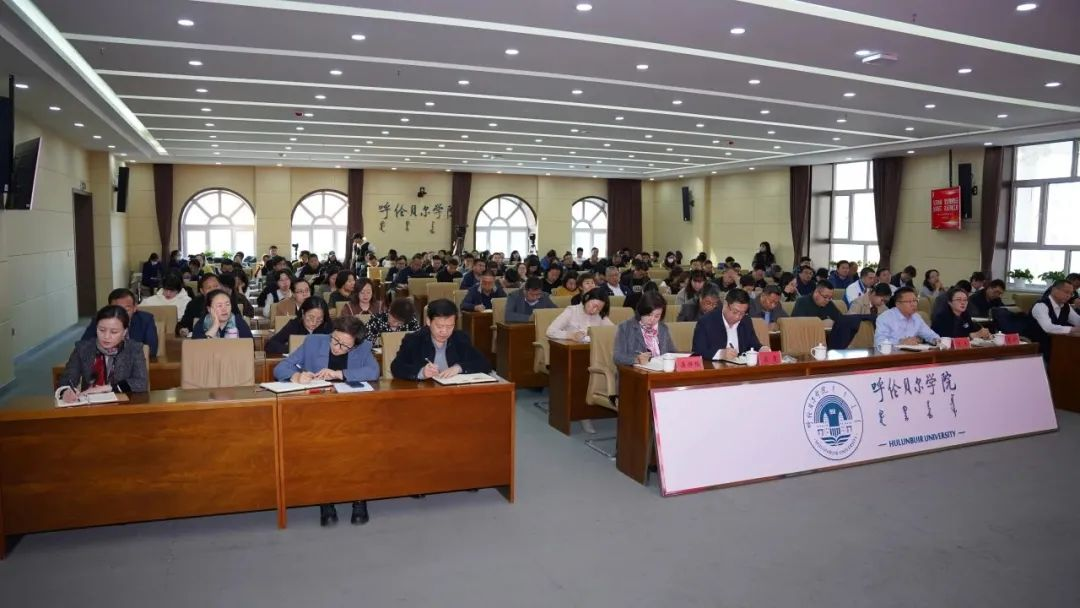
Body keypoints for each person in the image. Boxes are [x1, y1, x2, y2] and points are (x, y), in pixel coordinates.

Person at [274, 314, 379, 527]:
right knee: (323, 447)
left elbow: (373, 371)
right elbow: (281, 368)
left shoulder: (363, 347)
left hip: (351, 411)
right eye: (335, 340)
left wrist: (339, 373)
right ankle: (326, 500)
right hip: (318, 412)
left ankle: (359, 497)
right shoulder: (313, 342)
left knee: (359, 445)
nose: (337, 348)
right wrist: (296, 376)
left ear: (355, 344)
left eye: (344, 346)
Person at [58, 305, 148, 402]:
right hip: (89, 405)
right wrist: (66, 391)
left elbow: (141, 383)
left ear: (124, 332)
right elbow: (67, 379)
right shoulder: (83, 349)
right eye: (101, 330)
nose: (106, 336)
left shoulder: (134, 349)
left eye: (114, 332)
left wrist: (108, 388)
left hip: (122, 405)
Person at [391, 298, 492, 380]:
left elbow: (485, 363)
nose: (444, 331)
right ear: (428, 321)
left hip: (454, 393)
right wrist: (422, 372)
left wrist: (459, 367)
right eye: (439, 326)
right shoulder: (414, 340)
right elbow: (396, 367)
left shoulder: (460, 339)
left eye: (450, 326)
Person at [691, 288, 767, 361]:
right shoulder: (706, 321)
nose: (738, 317)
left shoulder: (746, 320)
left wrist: (762, 349)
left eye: (742, 313)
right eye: (735, 312)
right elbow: (698, 351)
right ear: (725, 304)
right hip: (716, 367)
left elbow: (754, 345)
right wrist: (720, 354)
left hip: (742, 367)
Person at [80, 288, 158, 358]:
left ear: (135, 308)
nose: (122, 314)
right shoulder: (100, 319)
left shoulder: (146, 320)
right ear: (109, 308)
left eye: (126, 310)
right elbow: (84, 345)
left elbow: (152, 350)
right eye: (117, 309)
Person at [614, 291, 677, 367]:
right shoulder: (625, 328)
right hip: (634, 372)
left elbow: (672, 352)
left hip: (660, 371)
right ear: (641, 311)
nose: (652, 320)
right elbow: (617, 357)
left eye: (657, 316)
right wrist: (636, 359)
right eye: (649, 315)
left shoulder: (663, 328)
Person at [874, 287, 940, 348]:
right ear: (898, 304)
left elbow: (930, 335)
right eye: (909, 302)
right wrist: (900, 342)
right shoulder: (885, 318)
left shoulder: (916, 317)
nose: (913, 304)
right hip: (891, 355)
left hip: (912, 354)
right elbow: (879, 343)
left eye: (915, 301)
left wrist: (936, 340)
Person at [265, 296, 332, 355]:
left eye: (319, 319)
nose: (314, 322)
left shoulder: (327, 325)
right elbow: (270, 345)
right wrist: (292, 348)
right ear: (303, 313)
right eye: (311, 317)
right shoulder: (294, 325)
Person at [1027, 281, 1080, 355]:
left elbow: (1077, 321)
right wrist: (1073, 329)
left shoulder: (1066, 306)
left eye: (1071, 294)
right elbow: (1048, 328)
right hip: (1038, 347)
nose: (1069, 296)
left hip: (1058, 345)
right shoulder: (1041, 305)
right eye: (1066, 292)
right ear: (1054, 290)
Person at [547, 288, 613, 342]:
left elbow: (613, 331)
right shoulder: (571, 311)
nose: (594, 310)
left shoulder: (600, 315)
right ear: (587, 298)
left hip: (594, 351)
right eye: (594, 306)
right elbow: (550, 331)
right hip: (573, 350)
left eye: (598, 309)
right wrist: (571, 335)